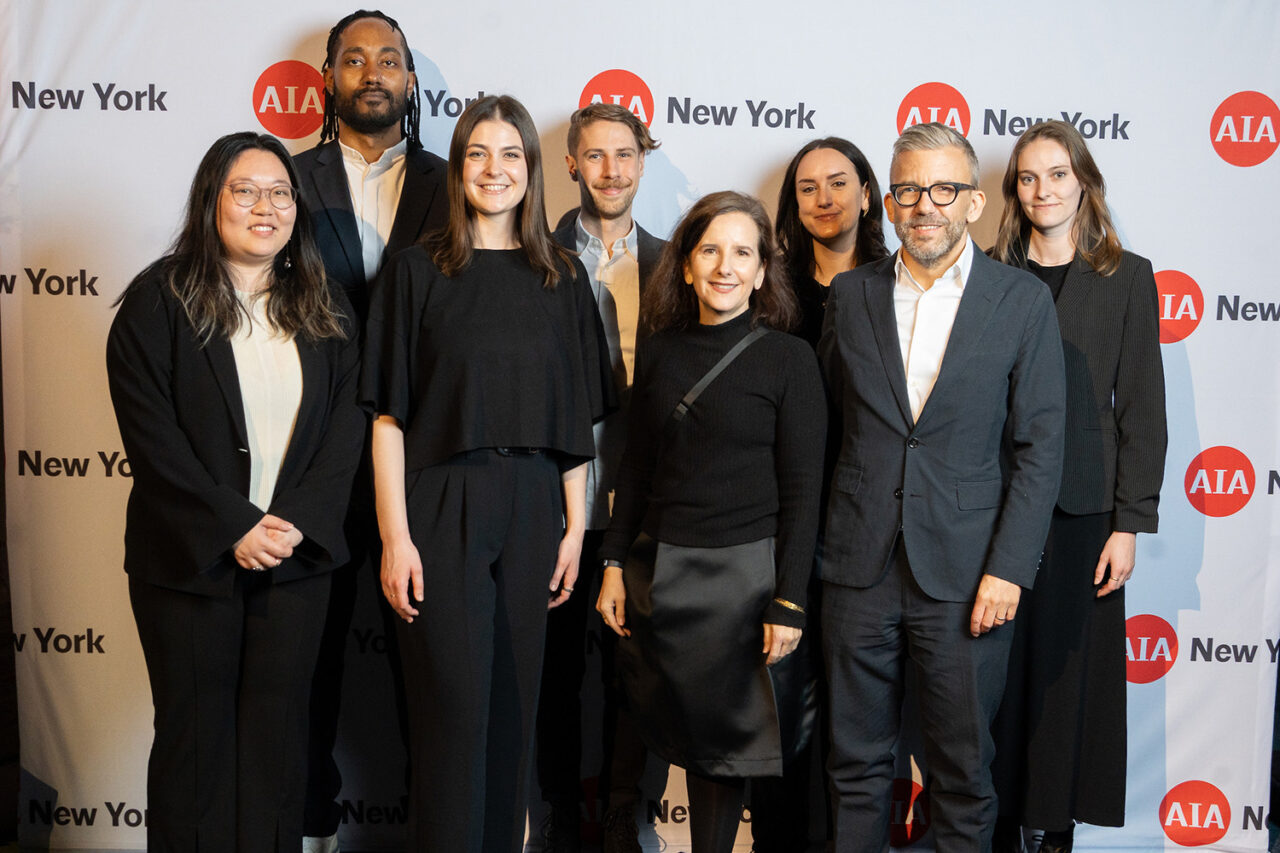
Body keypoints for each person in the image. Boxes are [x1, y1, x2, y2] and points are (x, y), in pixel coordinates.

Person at [360, 94, 614, 853]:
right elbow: (388, 420)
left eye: (511, 154)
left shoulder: (563, 278)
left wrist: (575, 528)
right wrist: (395, 538)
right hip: (443, 503)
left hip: (537, 504)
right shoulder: (416, 274)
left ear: (534, 171)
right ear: (457, 165)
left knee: (516, 705)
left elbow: (576, 421)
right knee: (454, 707)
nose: (494, 170)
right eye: (478, 153)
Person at [105, 131, 363, 853]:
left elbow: (347, 435)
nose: (265, 206)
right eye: (245, 190)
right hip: (191, 564)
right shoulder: (157, 304)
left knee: (279, 747)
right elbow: (154, 444)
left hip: (297, 562)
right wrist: (234, 527)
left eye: (280, 192)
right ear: (211, 200)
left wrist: (293, 524)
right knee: (197, 744)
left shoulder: (328, 307)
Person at [818, 122, 1066, 853]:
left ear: (975, 202)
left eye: (942, 189)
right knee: (854, 769)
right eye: (907, 190)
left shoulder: (1020, 303)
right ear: (887, 202)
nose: (923, 205)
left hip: (968, 577)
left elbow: (1039, 446)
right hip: (857, 567)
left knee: (960, 774)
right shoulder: (850, 294)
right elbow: (833, 428)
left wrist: (1008, 569)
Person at [596, 190, 827, 853]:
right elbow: (636, 469)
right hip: (657, 574)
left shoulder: (790, 360)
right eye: (711, 250)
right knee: (644, 723)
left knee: (722, 752)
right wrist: (612, 562)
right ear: (688, 264)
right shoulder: (663, 351)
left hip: (744, 586)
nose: (726, 266)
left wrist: (788, 600)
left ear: (761, 272)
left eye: (743, 253)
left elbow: (804, 490)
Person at [292, 11, 449, 851]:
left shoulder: (455, 182)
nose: (373, 72)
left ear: (412, 81)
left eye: (389, 59)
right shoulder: (284, 178)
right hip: (313, 463)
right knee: (308, 666)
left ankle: (436, 830)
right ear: (328, 79)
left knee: (428, 670)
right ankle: (312, 831)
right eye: (354, 59)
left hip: (421, 464)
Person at [988, 119, 1167, 853]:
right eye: (1029, 177)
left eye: (1058, 174)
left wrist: (1129, 522)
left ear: (1084, 181)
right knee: (993, 679)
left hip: (1084, 514)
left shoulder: (1127, 276)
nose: (1043, 190)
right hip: (996, 506)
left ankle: (1054, 832)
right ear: (1013, 189)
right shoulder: (988, 276)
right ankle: (993, 827)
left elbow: (1143, 409)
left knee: (1067, 684)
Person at [539, 102, 666, 853]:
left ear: (642, 163)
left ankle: (626, 811)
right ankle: (557, 810)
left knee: (636, 673)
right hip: (553, 503)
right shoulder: (532, 255)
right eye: (596, 156)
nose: (612, 170)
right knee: (553, 672)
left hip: (640, 503)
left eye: (625, 155)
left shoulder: (677, 260)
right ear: (571, 165)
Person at [776, 136, 889, 347]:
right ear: (796, 204)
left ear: (866, 195)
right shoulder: (770, 287)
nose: (824, 200)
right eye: (809, 189)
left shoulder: (893, 285)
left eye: (838, 184)